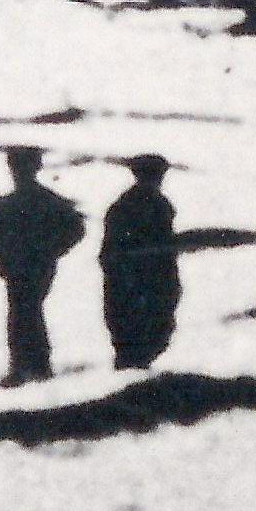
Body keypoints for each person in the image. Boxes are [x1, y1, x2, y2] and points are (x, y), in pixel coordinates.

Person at [0, 144, 85, 383]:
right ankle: (32, 365)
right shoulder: (38, 201)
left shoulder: (19, 203)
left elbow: (75, 229)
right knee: (26, 312)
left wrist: (50, 251)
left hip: (29, 265)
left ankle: (29, 366)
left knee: (24, 312)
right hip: (28, 265)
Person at [100, 153, 184, 370]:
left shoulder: (155, 206)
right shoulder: (143, 206)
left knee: (150, 330)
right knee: (138, 331)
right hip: (135, 279)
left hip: (145, 279)